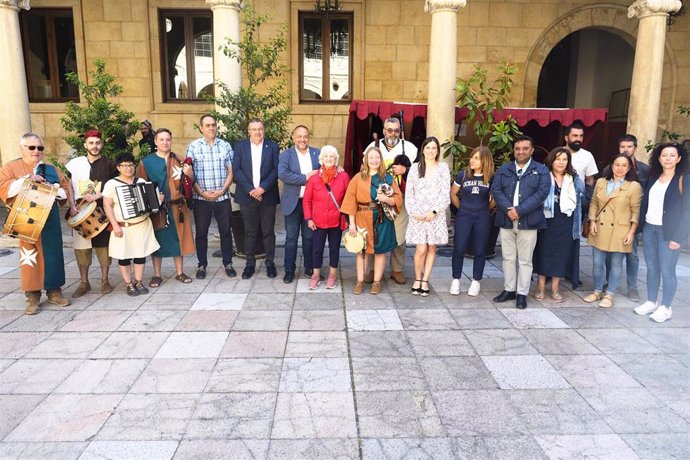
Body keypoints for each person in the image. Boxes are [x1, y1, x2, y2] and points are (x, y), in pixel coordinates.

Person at [0, 133, 71, 314]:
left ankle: (54, 291)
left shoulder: (52, 169)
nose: (36, 151)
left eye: (40, 148)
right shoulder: (11, 167)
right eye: (31, 147)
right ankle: (32, 296)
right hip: (26, 219)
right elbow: (4, 188)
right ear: (22, 148)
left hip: (50, 219)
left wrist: (50, 186)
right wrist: (26, 180)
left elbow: (64, 190)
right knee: (29, 256)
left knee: (53, 254)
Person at [491, 135, 551, 309]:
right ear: (514, 151)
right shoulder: (504, 169)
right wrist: (510, 209)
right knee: (508, 258)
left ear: (532, 150)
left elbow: (541, 194)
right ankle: (509, 290)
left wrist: (520, 210)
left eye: (525, 148)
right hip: (506, 219)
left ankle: (522, 293)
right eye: (518, 149)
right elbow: (497, 190)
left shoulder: (541, 170)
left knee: (525, 260)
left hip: (529, 221)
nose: (521, 152)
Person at [634, 142, 690, 322]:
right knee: (652, 268)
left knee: (667, 270)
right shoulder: (654, 177)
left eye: (672, 155)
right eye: (664, 155)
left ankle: (666, 307)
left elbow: (687, 210)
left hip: (669, 232)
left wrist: (678, 237)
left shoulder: (684, 178)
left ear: (679, 158)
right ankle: (651, 301)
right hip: (650, 228)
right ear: (659, 158)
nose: (668, 158)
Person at [137, 128, 196, 287]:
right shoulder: (146, 162)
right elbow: (140, 186)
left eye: (168, 139)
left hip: (178, 207)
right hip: (158, 209)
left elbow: (189, 182)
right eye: (161, 139)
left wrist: (189, 174)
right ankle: (157, 275)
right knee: (158, 241)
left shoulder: (179, 159)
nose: (165, 142)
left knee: (179, 240)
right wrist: (153, 199)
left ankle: (180, 272)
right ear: (155, 142)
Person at [363, 116, 418, 285]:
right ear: (384, 130)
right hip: (377, 199)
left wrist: (406, 169)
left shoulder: (409, 148)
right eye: (389, 130)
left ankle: (397, 269)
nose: (392, 133)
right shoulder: (373, 146)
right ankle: (372, 269)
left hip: (399, 198)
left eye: (396, 130)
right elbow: (364, 169)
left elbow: (418, 172)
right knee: (375, 232)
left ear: (400, 131)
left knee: (399, 234)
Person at [341, 146, 402, 295]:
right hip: (362, 217)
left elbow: (399, 198)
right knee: (362, 251)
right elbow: (350, 201)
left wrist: (386, 199)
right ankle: (360, 281)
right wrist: (352, 224)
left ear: (380, 160)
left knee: (380, 251)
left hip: (382, 218)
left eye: (377, 157)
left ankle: (376, 282)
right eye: (371, 158)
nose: (374, 160)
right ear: (366, 160)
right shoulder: (357, 178)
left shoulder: (388, 178)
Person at [584, 154, 642, 308]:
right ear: (611, 166)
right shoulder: (601, 182)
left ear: (629, 168)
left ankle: (609, 294)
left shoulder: (634, 186)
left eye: (624, 165)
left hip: (620, 230)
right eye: (617, 164)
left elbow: (636, 212)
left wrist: (631, 232)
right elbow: (594, 203)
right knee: (597, 263)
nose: (620, 168)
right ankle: (597, 291)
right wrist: (592, 220)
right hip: (600, 228)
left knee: (616, 264)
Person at [65, 129, 116, 297]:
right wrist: (72, 204)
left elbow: (115, 186)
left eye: (97, 143)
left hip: (102, 211)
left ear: (101, 144)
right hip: (80, 211)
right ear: (85, 144)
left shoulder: (109, 164)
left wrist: (98, 195)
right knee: (82, 248)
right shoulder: (76, 164)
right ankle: (84, 283)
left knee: (103, 247)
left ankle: (104, 280)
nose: (95, 146)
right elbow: (69, 186)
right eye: (91, 143)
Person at [102, 153, 161, 296]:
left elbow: (150, 202)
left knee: (140, 255)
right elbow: (107, 206)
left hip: (141, 225)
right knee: (124, 256)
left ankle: (139, 281)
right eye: (124, 165)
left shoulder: (140, 181)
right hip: (123, 226)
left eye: (130, 165)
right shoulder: (111, 184)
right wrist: (115, 225)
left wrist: (158, 199)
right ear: (118, 167)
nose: (128, 168)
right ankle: (129, 284)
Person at [601, 134, 650, 301]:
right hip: (612, 221)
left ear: (635, 148)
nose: (626, 150)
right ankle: (610, 282)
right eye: (623, 147)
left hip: (632, 222)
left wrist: (638, 223)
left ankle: (632, 287)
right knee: (610, 253)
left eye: (629, 147)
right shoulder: (609, 169)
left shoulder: (644, 170)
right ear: (618, 148)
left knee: (632, 254)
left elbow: (646, 199)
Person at [186, 113, 235, 280]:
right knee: (201, 233)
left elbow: (231, 171)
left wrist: (222, 190)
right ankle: (202, 265)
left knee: (226, 232)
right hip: (202, 199)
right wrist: (201, 192)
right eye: (207, 125)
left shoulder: (225, 146)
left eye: (213, 124)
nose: (211, 128)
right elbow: (189, 174)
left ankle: (228, 263)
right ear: (201, 128)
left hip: (222, 198)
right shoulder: (193, 147)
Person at [532, 147, 585, 302]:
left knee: (561, 254)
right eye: (558, 159)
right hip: (546, 220)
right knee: (544, 252)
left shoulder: (574, 179)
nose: (561, 162)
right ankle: (541, 286)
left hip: (566, 221)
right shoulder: (543, 176)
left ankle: (555, 288)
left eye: (564, 159)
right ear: (551, 160)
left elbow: (582, 198)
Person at [232, 118, 280, 280]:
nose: (257, 132)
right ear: (249, 131)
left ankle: (270, 263)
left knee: (268, 232)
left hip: (267, 196)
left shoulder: (272, 146)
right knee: (250, 232)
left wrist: (262, 188)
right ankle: (249, 265)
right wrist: (251, 190)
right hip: (247, 196)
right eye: (253, 129)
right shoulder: (240, 147)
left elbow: (275, 169)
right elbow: (236, 170)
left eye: (260, 129)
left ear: (264, 130)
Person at [404, 136, 450, 296]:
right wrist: (415, 212)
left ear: (438, 151)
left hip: (435, 216)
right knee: (421, 248)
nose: (431, 151)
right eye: (428, 147)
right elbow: (409, 193)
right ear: (422, 149)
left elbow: (445, 193)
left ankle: (425, 280)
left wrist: (434, 211)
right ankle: (417, 278)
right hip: (418, 216)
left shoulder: (443, 168)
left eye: (434, 148)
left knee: (431, 247)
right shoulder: (415, 168)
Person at [449, 146, 495, 296]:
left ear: (485, 161)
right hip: (464, 216)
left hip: (482, 217)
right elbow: (453, 193)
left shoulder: (491, 177)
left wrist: (484, 209)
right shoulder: (463, 174)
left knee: (480, 249)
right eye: (472, 157)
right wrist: (462, 208)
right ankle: (456, 280)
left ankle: (476, 281)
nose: (472, 160)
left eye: (476, 158)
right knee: (459, 248)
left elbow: (494, 200)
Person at [303, 145, 350, 290]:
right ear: (321, 159)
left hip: (336, 220)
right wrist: (309, 218)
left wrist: (349, 219)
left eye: (332, 156)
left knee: (334, 249)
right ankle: (315, 275)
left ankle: (332, 276)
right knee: (316, 249)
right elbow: (307, 200)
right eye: (326, 156)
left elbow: (349, 198)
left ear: (336, 159)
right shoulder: (314, 178)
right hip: (318, 221)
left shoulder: (343, 176)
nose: (329, 159)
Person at [278, 125, 320, 284]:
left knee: (309, 237)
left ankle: (310, 269)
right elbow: (283, 175)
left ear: (309, 137)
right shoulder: (285, 155)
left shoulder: (318, 153)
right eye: (299, 136)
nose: (302, 140)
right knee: (291, 238)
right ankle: (289, 270)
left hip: (312, 204)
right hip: (292, 203)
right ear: (293, 138)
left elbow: (326, 170)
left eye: (305, 136)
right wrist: (305, 177)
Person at [564, 121, 598, 190]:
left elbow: (590, 179)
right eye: (575, 136)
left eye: (581, 136)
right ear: (566, 138)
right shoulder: (557, 153)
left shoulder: (587, 155)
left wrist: (587, 197)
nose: (578, 139)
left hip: (580, 197)